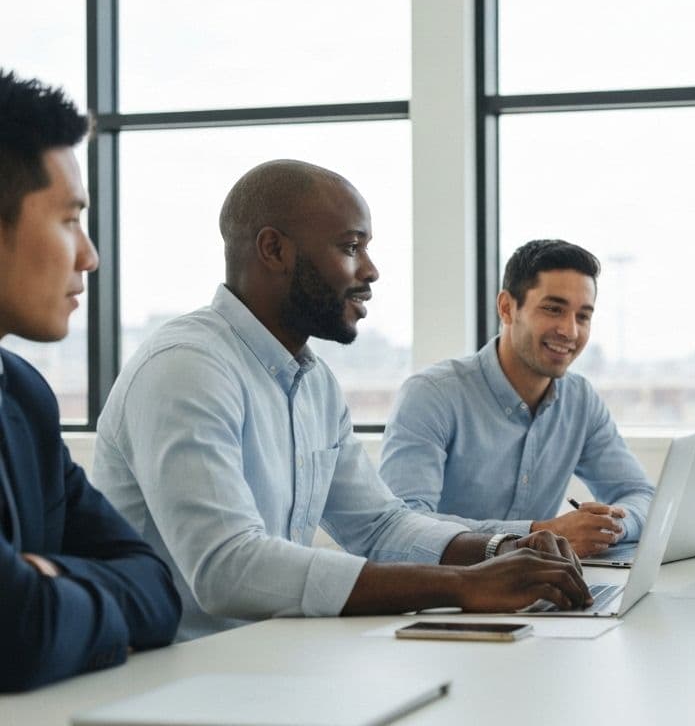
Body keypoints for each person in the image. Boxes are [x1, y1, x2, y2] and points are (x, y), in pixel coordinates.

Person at [91, 161, 589, 641]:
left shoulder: (314, 384)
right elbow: (227, 567)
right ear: (274, 250)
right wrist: (463, 586)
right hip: (177, 672)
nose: (370, 271)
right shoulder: (188, 368)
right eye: (351, 247)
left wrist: (501, 550)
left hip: (269, 658)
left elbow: (379, 526)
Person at [0, 70, 180, 691]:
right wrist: (47, 598)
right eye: (69, 219)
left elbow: (156, 588)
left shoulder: (23, 396)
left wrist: (48, 578)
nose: (89, 255)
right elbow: (19, 630)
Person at [380, 239, 653, 558]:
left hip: (538, 582)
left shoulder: (580, 400)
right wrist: (538, 532)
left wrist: (610, 526)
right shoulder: (432, 395)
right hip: (445, 583)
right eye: (553, 309)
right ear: (507, 308)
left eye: (583, 316)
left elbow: (641, 495)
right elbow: (404, 525)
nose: (570, 331)